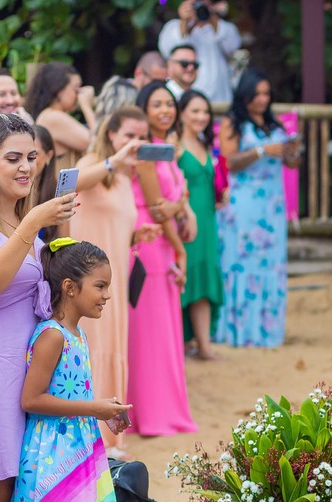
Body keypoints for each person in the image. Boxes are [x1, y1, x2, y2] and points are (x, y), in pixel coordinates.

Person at [0, 113, 77, 502]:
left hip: (24, 373)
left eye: (32, 158)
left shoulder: (23, 222)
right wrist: (34, 222)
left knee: (15, 493)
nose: (25, 167)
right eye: (12, 158)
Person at [2, 239, 128, 502]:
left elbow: (71, 394)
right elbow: (31, 400)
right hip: (51, 455)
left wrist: (103, 410)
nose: (107, 295)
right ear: (70, 287)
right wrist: (94, 409)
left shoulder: (78, 334)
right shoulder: (52, 336)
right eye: (100, 286)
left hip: (77, 447)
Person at [71, 106, 155, 453]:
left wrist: (136, 235)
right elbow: (70, 183)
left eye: (142, 137)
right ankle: (92, 436)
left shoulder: (125, 177)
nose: (136, 142)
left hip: (114, 280)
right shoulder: (95, 162)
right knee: (93, 349)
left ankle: (111, 434)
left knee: (113, 348)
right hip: (85, 278)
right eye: (129, 135)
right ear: (112, 135)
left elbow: (111, 223)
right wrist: (112, 161)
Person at [129, 82, 196, 436]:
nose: (165, 110)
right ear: (143, 109)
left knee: (166, 327)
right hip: (150, 239)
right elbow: (156, 208)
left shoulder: (166, 149)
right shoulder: (144, 152)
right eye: (157, 104)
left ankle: (165, 408)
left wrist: (181, 207)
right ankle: (149, 413)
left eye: (169, 104)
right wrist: (180, 249)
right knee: (151, 330)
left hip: (165, 238)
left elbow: (175, 198)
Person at [216, 68, 299, 348]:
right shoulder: (233, 123)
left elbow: (291, 164)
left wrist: (292, 151)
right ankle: (240, 331)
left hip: (272, 205)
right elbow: (229, 162)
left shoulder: (274, 125)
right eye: (257, 94)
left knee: (271, 264)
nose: (263, 99)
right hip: (245, 203)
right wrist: (262, 151)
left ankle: (267, 331)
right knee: (242, 262)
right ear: (245, 95)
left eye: (266, 94)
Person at [177, 89, 223, 359]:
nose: (201, 116)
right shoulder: (175, 146)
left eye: (205, 111)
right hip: (185, 222)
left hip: (207, 221)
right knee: (185, 279)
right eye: (195, 111)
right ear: (181, 113)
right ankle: (181, 342)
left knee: (204, 279)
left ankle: (204, 344)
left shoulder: (205, 144)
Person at [158, 2, 240, 105]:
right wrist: (185, 22)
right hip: (183, 102)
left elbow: (233, 47)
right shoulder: (173, 26)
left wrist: (213, 19)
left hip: (219, 101)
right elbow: (167, 51)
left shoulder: (225, 27)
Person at [26, 63, 96, 174]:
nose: (79, 95)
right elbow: (98, 144)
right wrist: (86, 106)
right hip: (61, 185)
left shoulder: (50, 115)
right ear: (58, 90)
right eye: (76, 89)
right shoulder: (53, 117)